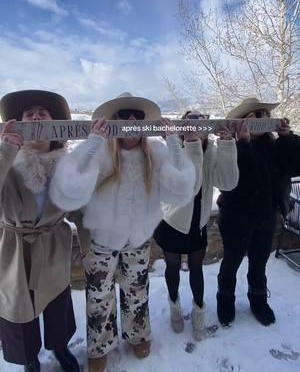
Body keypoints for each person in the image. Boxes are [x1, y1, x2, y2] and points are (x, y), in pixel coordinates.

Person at [49, 93, 196, 372]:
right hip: (101, 244)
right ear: (114, 119)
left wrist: (174, 144)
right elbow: (68, 192)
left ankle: (138, 334)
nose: (131, 120)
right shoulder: (100, 150)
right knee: (99, 297)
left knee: (137, 292)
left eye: (137, 116)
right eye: (125, 114)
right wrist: (91, 144)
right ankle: (99, 346)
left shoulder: (157, 152)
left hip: (138, 242)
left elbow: (180, 192)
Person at [0, 90, 80, 372]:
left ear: (54, 123)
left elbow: (80, 206)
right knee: (18, 306)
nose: (35, 117)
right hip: (13, 247)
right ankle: (28, 358)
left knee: (58, 301)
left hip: (53, 244)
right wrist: (6, 150)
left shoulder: (68, 164)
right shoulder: (4, 158)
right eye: (28, 113)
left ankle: (60, 347)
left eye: (42, 113)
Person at [153, 110, 239, 340]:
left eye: (201, 119)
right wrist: (190, 148)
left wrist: (228, 144)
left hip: (197, 222)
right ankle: (174, 306)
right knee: (172, 268)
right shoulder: (173, 151)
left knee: (196, 268)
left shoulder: (212, 150)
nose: (196, 123)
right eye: (189, 119)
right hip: (172, 221)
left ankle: (199, 309)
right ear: (181, 127)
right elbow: (188, 188)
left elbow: (227, 183)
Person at [216, 98, 300, 327]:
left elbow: (295, 165)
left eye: (263, 115)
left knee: (259, 264)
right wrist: (242, 144)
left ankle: (258, 299)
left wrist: (288, 138)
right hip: (236, 217)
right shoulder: (229, 146)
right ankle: (225, 300)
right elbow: (235, 181)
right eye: (253, 117)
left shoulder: (275, 147)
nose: (260, 120)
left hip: (266, 216)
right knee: (231, 263)